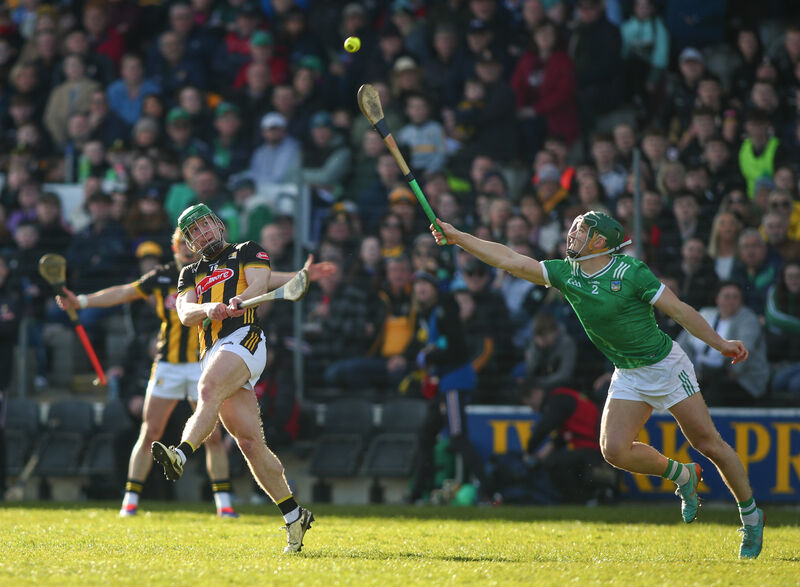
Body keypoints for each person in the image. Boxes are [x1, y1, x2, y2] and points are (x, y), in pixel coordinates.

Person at [429, 210, 764, 559]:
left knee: (708, 443)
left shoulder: (630, 272)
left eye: (579, 229)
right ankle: (682, 475)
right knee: (614, 451)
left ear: (599, 241)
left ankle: (751, 517)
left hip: (665, 367)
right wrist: (458, 237)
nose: (570, 233)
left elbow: (679, 310)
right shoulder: (565, 273)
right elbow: (510, 259)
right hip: (628, 372)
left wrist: (721, 344)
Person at [150, 204, 318, 553]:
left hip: (244, 338)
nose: (202, 234)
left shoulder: (247, 250)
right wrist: (207, 309)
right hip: (213, 351)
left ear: (217, 224)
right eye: (193, 232)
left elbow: (260, 280)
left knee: (207, 389)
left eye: (205, 225)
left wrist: (243, 297)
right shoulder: (189, 273)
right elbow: (184, 312)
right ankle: (293, 515)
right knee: (248, 442)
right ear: (189, 241)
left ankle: (180, 454)